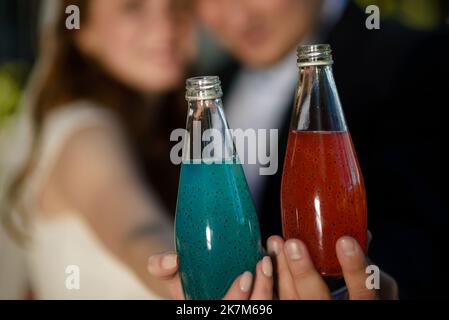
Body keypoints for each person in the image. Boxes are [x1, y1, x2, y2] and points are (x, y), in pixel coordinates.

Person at [193, 0, 449, 298]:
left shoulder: (417, 58)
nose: (237, 16)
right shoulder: (214, 83)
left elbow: (423, 233)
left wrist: (367, 286)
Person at [0, 0, 198, 299]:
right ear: (82, 31)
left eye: (176, 5)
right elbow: (136, 232)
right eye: (133, 7)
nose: (165, 25)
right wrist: (191, 277)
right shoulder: (86, 135)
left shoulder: (160, 131)